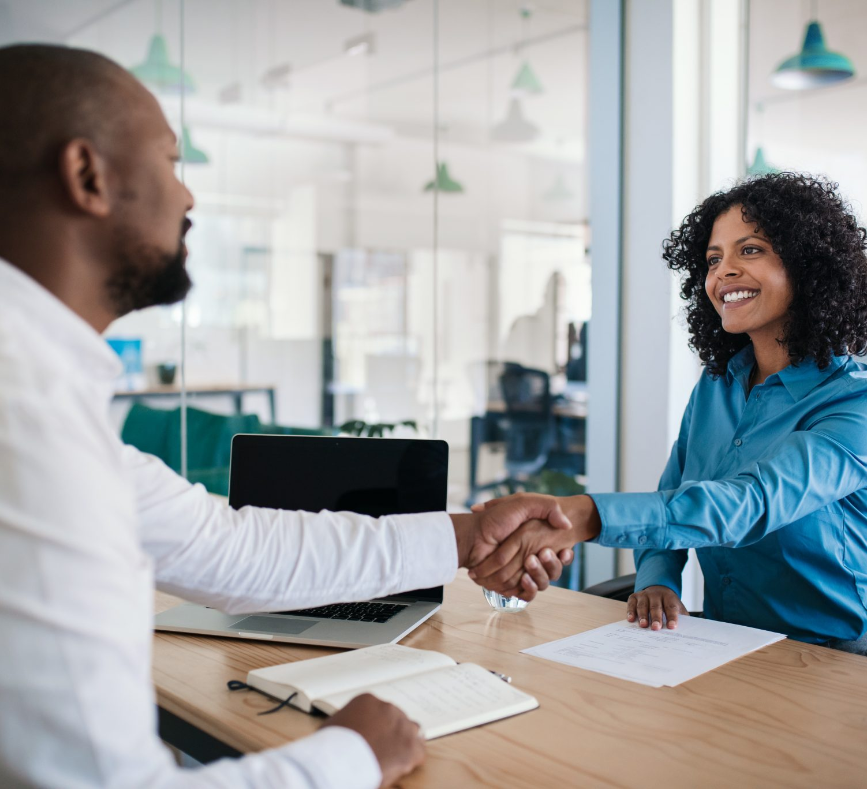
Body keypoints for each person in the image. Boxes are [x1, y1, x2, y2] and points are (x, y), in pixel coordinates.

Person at [0, 44, 574, 789]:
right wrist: (348, 755)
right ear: (88, 176)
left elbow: (229, 546)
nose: (189, 197)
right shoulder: (29, 426)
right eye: (171, 162)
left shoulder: (41, 397)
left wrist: (465, 534)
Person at [472, 173, 867, 655]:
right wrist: (659, 579)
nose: (723, 272)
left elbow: (749, 503)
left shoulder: (853, 403)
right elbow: (675, 494)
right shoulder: (718, 385)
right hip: (725, 644)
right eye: (713, 259)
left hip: (833, 660)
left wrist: (585, 515)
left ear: (810, 266)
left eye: (750, 250)